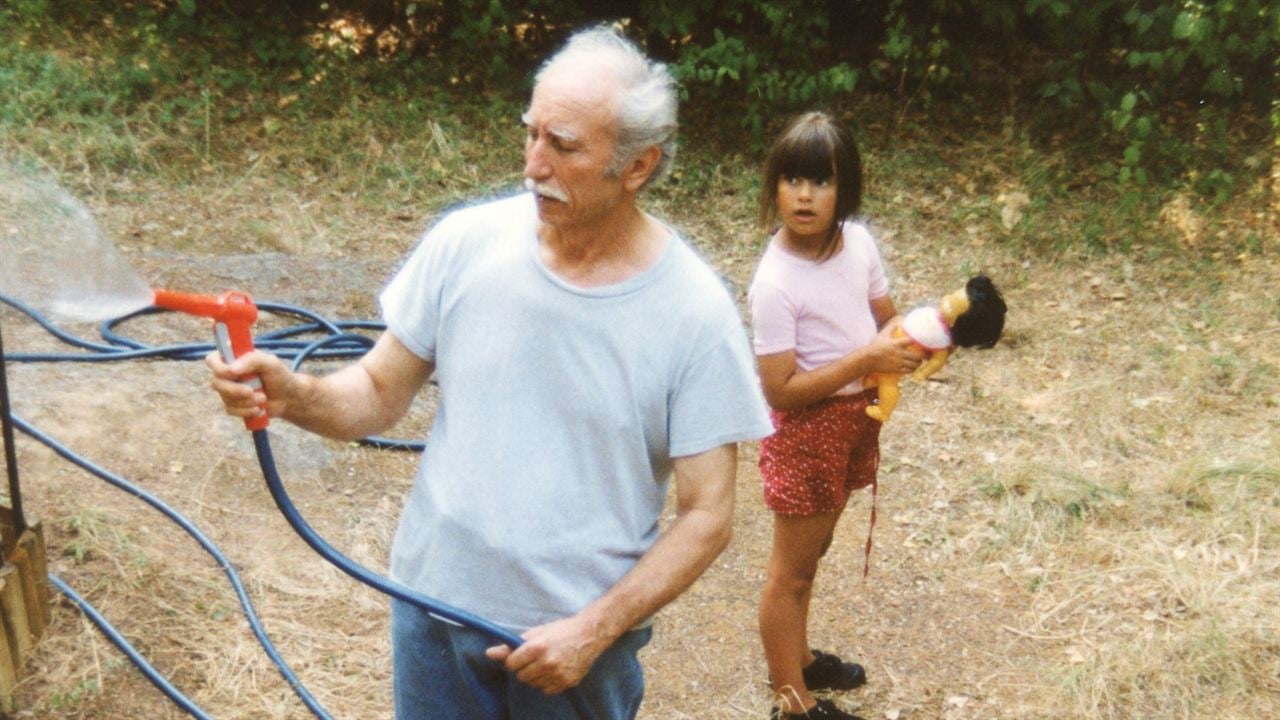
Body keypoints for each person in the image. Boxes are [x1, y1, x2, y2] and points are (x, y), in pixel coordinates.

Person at [206, 26, 773, 720]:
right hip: (433, 611)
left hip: (571, 653)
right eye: (530, 134)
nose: (533, 165)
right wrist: (293, 394)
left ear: (637, 166)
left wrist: (594, 630)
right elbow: (379, 393)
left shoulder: (692, 312)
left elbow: (708, 514)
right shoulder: (465, 244)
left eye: (563, 146)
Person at [747, 112, 923, 720]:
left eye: (820, 181)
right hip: (806, 433)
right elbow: (780, 391)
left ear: (844, 190)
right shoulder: (774, 283)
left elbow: (887, 318)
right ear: (774, 186)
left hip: (854, 420)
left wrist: (920, 339)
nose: (804, 194)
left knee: (812, 555)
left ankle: (799, 658)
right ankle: (792, 702)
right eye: (792, 178)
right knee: (786, 575)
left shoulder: (860, 244)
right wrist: (866, 356)